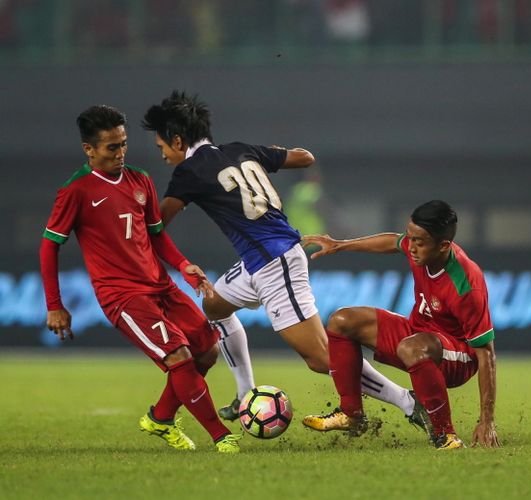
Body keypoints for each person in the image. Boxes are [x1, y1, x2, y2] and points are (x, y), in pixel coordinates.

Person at [141, 90, 429, 432]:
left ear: (177, 140)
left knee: (321, 357)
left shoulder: (189, 171)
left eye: (162, 148)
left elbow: (157, 224)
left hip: (275, 263)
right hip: (256, 262)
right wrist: (267, 157)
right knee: (215, 307)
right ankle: (245, 391)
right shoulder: (241, 151)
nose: (163, 156)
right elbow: (305, 158)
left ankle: (409, 402)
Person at [40, 105, 241, 453]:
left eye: (123, 144)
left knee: (207, 350)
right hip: (123, 296)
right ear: (89, 149)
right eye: (111, 147)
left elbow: (156, 235)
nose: (120, 153)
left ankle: (160, 418)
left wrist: (183, 265)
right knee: (178, 356)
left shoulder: (140, 180)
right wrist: (55, 306)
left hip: (160, 285)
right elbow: (49, 247)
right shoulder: (76, 190)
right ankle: (221, 436)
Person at [302, 200, 499, 450]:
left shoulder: (466, 285)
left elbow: (486, 354)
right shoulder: (416, 244)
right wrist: (340, 245)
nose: (411, 247)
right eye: (410, 236)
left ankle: (445, 434)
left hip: (458, 356)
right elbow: (392, 241)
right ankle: (351, 415)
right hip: (417, 333)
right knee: (342, 320)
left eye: (419, 242)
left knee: (412, 348)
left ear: (443, 246)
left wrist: (487, 421)